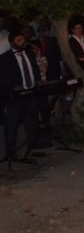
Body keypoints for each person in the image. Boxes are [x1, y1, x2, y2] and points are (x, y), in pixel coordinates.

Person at [1, 30, 41, 164]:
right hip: (14, 97)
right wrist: (12, 87)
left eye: (23, 39)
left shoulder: (29, 53)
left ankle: (32, 147)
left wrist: (38, 80)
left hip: (30, 93)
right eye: (19, 40)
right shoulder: (5, 58)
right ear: (12, 43)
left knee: (31, 121)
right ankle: (11, 153)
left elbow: (34, 68)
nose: (22, 42)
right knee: (12, 125)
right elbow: (3, 78)